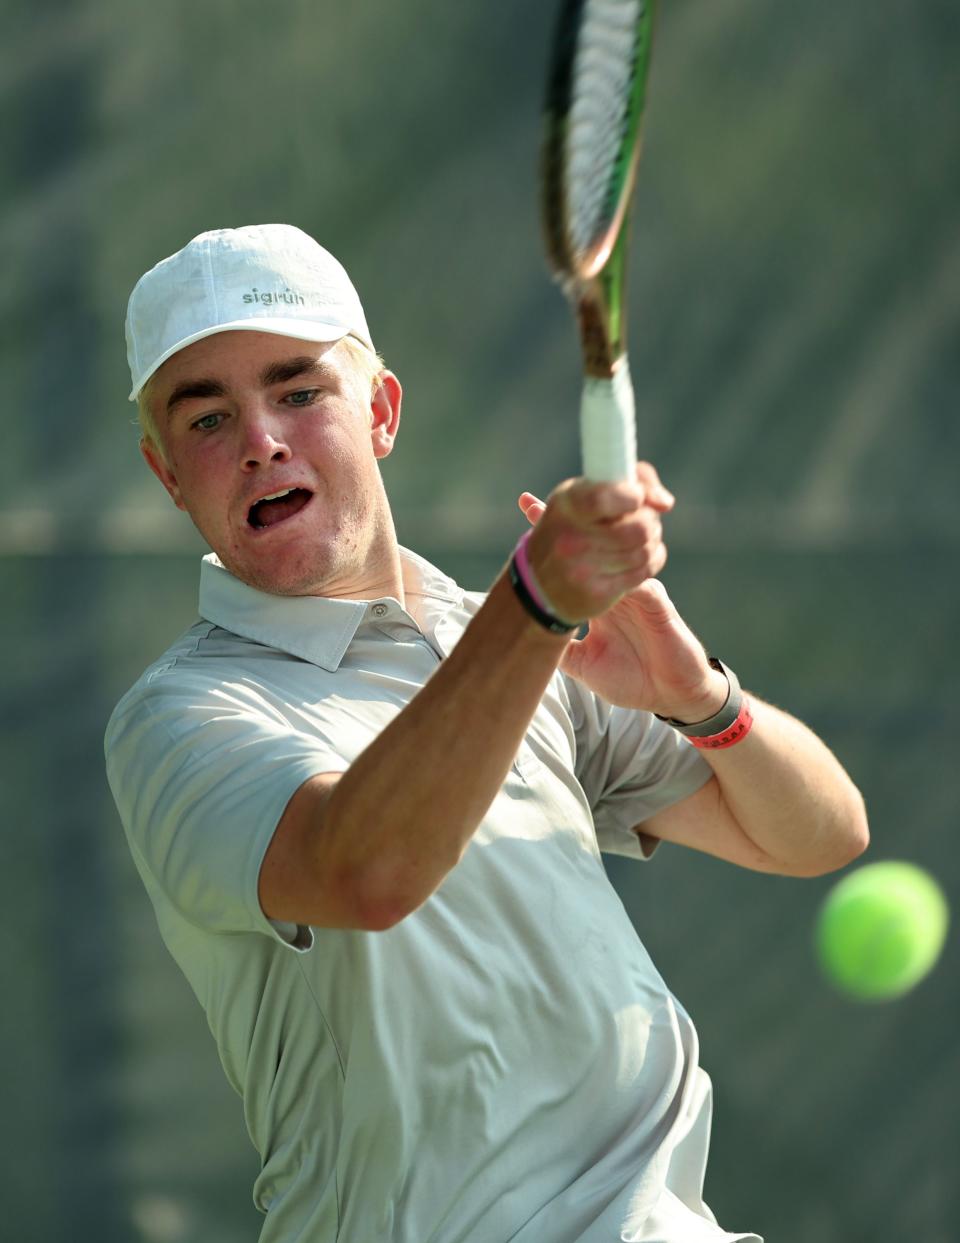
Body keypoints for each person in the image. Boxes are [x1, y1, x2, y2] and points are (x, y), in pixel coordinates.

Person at [106, 223, 868, 1243]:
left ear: (378, 412)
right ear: (168, 476)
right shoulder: (176, 718)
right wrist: (537, 603)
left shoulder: (508, 637)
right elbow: (366, 870)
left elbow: (818, 834)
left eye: (298, 392)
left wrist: (702, 697)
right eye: (208, 421)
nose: (261, 441)